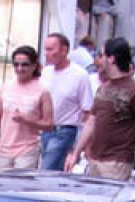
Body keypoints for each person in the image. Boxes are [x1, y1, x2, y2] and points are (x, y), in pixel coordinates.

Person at [64, 37, 135, 182]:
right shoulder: (103, 89)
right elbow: (91, 122)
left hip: (117, 162)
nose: (99, 60)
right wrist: (76, 153)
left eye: (102, 55)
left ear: (111, 59)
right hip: (94, 159)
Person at [0, 46, 52, 169]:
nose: (19, 69)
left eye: (25, 65)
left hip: (27, 149)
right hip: (4, 150)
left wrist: (27, 120)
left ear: (34, 66)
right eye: (16, 65)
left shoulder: (43, 91)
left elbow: (49, 124)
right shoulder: (6, 86)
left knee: (20, 185)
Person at [35, 33, 93, 171]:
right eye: (45, 50)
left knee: (46, 170)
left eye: (51, 49)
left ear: (64, 50)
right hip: (44, 131)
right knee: (54, 173)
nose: (47, 54)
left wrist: (79, 145)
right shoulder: (45, 73)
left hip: (65, 131)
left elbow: (87, 111)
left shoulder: (80, 75)